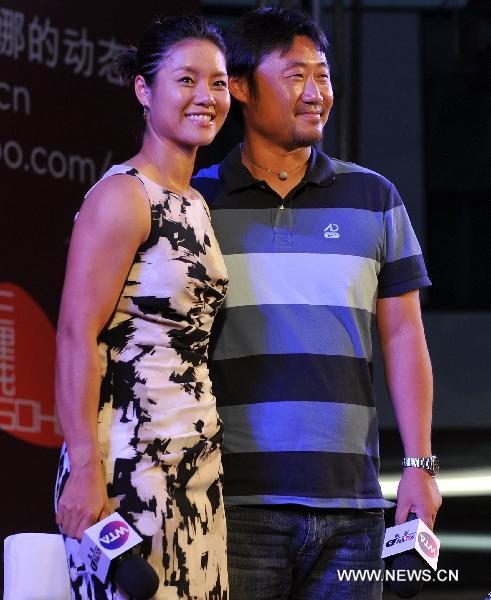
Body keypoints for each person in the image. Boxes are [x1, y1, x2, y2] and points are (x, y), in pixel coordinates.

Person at [192, 7, 441, 600]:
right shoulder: (195, 202)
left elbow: (405, 337)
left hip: (353, 506)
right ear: (244, 88)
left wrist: (420, 465)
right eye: (296, 75)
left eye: (323, 76)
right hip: (235, 501)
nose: (316, 94)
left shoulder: (374, 197)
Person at [54, 15, 230, 600]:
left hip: (196, 466)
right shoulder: (123, 196)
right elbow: (78, 335)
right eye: (186, 80)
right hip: (128, 466)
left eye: (219, 82)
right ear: (143, 89)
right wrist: (84, 466)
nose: (205, 96)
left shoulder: (197, 203)